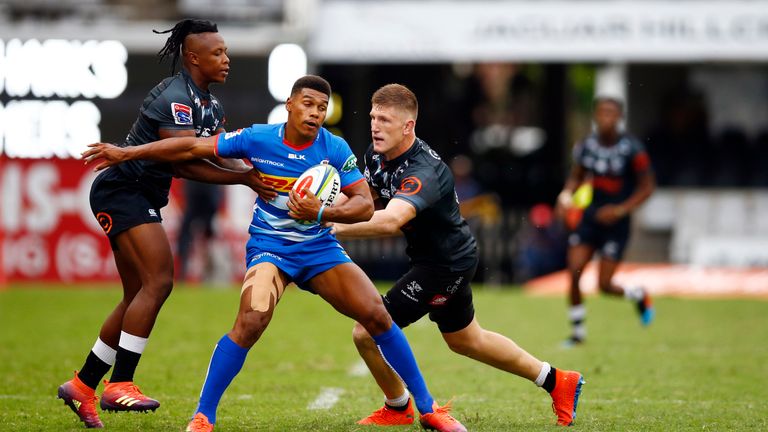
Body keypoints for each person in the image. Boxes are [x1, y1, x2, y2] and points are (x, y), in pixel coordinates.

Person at [82, 75, 466, 432]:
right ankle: (203, 416)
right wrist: (128, 152)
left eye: (322, 107)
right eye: (308, 104)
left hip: (318, 249)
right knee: (251, 322)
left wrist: (320, 211)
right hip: (271, 249)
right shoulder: (258, 138)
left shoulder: (334, 148)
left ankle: (428, 408)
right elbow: (190, 145)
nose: (315, 113)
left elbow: (364, 204)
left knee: (377, 316)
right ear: (290, 105)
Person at [57, 19, 277, 429]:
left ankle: (82, 385)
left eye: (226, 51)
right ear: (193, 57)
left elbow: (213, 156)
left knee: (136, 295)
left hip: (138, 195)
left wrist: (257, 169)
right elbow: (185, 162)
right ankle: (120, 382)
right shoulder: (176, 96)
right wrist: (242, 177)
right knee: (159, 281)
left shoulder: (211, 105)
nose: (226, 59)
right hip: (122, 192)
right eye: (217, 53)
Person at [331, 84, 585, 427]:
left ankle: (398, 406)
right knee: (467, 340)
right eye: (374, 117)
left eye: (386, 120)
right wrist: (323, 208)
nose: (375, 126)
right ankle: (558, 381)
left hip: (443, 266)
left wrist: (329, 226)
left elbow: (392, 219)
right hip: (443, 259)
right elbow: (368, 202)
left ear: (408, 126)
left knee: (366, 331)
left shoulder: (423, 171)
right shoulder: (376, 155)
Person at [555, 96, 656, 346]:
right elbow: (576, 176)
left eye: (611, 113)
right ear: (595, 116)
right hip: (591, 219)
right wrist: (566, 195)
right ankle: (578, 334)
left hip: (617, 223)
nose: (606, 118)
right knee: (575, 271)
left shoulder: (633, 149)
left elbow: (647, 187)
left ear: (619, 117)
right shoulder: (586, 146)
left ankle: (638, 294)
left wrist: (621, 210)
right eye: (602, 113)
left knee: (605, 285)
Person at [176, 180, 223, 282]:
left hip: (200, 190)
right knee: (200, 232)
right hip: (205, 191)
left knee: (195, 232)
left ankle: (206, 271)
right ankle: (185, 271)